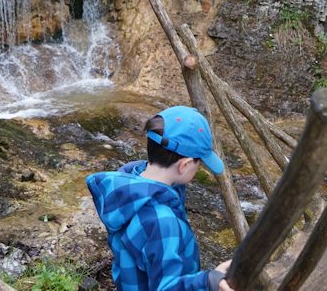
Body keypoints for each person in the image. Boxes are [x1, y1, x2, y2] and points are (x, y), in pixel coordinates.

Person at [86, 106, 235, 291]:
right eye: (199, 164)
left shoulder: (130, 185)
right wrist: (207, 282)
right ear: (185, 165)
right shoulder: (162, 221)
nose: (198, 170)